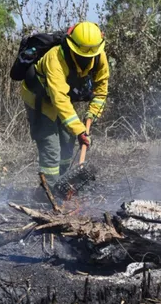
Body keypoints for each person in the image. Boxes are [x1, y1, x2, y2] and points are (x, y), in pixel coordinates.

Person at [20, 21, 110, 193]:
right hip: (40, 100)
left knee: (67, 143)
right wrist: (80, 130)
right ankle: (49, 195)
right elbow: (58, 98)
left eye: (90, 55)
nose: (87, 58)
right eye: (82, 55)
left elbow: (101, 90)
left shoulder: (99, 55)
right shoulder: (56, 58)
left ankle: (65, 187)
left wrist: (92, 114)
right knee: (51, 148)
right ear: (71, 46)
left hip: (61, 98)